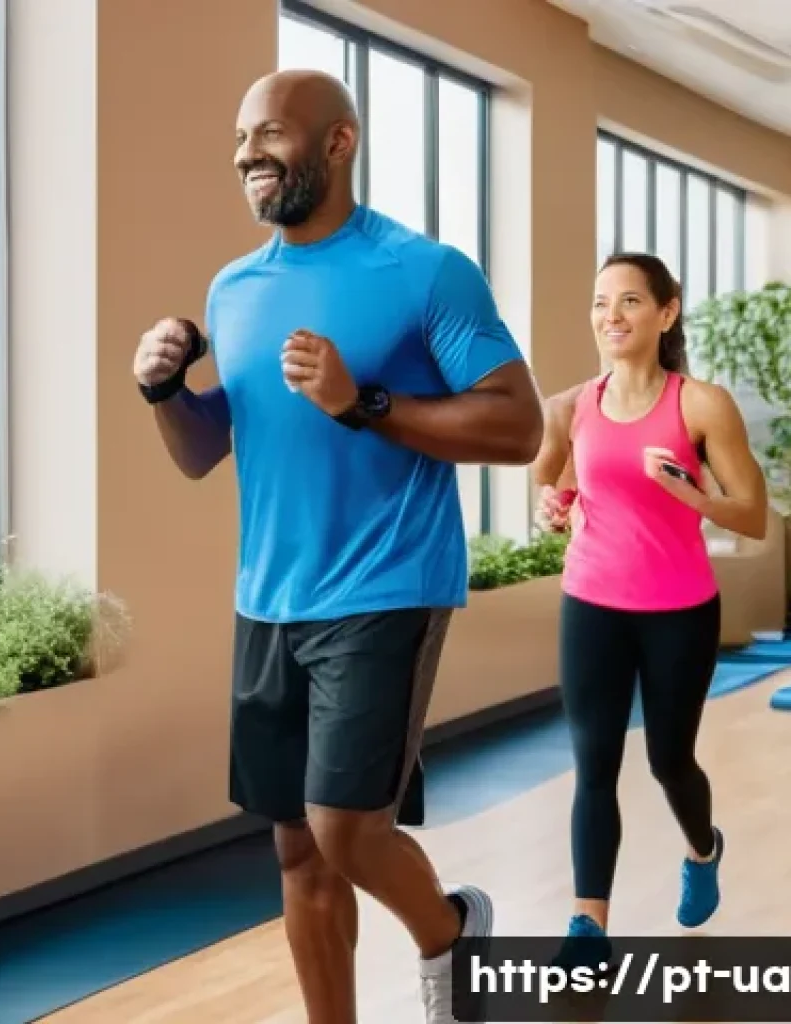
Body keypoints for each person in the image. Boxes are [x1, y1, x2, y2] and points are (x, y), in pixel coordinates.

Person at [132, 69, 544, 1024]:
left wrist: (366, 402)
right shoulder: (234, 290)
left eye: (269, 134)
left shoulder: (424, 270)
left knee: (348, 829)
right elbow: (206, 455)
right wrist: (165, 395)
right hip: (270, 596)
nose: (246, 155)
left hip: (387, 581)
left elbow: (517, 427)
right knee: (297, 851)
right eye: (239, 139)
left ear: (338, 143)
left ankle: (449, 931)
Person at [533, 251, 769, 965]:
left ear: (666, 313)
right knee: (594, 763)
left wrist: (691, 495)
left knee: (670, 761)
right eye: (602, 302)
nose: (612, 316)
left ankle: (703, 850)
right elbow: (552, 490)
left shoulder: (700, 404)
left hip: (679, 611)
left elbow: (756, 517)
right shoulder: (570, 407)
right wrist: (552, 505)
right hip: (592, 604)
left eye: (630, 301)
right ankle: (587, 927)